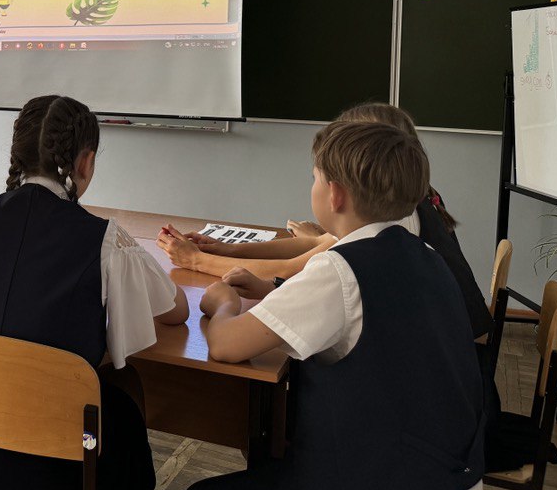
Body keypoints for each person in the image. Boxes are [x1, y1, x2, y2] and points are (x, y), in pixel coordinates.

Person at [178, 121, 484, 490]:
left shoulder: (340, 270)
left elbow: (225, 345)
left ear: (336, 194)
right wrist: (272, 293)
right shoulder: (425, 254)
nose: (313, 186)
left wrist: (224, 303)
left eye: (315, 177)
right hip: (451, 479)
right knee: (283, 467)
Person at [0, 95, 188, 490]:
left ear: (16, 156)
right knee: (123, 381)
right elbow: (174, 310)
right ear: (85, 162)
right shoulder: (103, 239)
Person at [156, 102, 490, 340]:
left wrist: (197, 261)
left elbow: (296, 268)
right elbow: (317, 244)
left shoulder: (378, 238)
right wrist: (226, 250)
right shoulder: (397, 210)